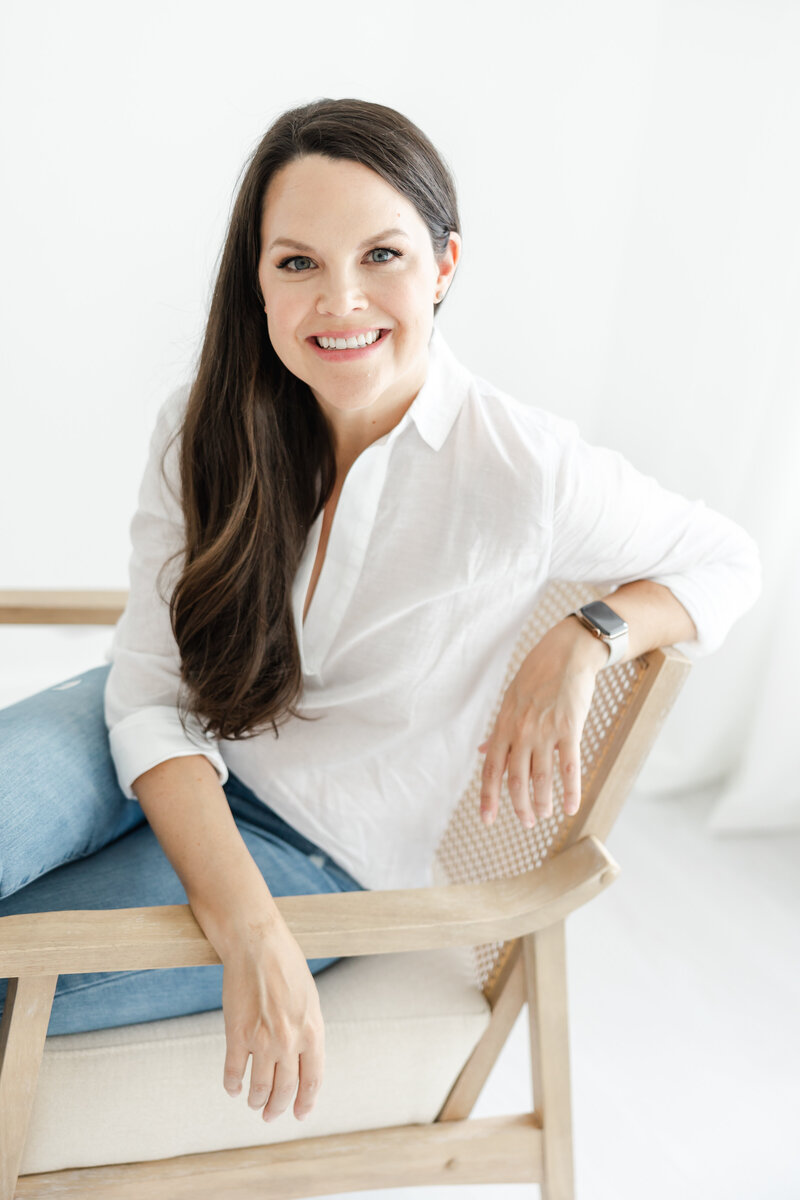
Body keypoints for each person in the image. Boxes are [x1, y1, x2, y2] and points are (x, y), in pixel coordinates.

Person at [0, 97, 761, 1128]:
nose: (341, 299)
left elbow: (726, 558)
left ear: (444, 266)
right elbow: (146, 688)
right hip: (139, 732)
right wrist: (247, 934)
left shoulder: (520, 470)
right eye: (296, 262)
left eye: (383, 255)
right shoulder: (202, 423)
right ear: (255, 282)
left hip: (316, 848)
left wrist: (589, 635)